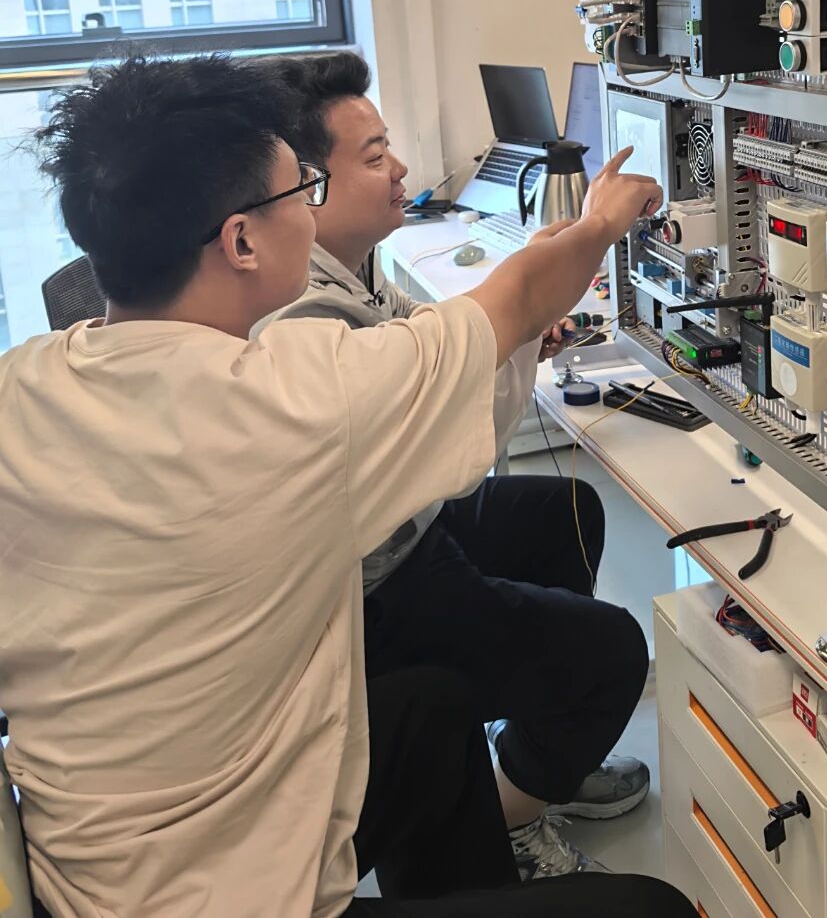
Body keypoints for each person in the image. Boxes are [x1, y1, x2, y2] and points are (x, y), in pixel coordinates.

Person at [0, 53, 695, 918]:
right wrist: (602, 218)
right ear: (240, 240)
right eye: (302, 190)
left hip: (83, 869)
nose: (313, 207)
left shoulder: (22, 382)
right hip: (221, 898)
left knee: (429, 714)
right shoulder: (297, 404)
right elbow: (520, 297)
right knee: (654, 909)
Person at [255, 52, 648, 879]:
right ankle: (511, 812)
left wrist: (527, 301)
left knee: (567, 514)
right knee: (613, 652)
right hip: (375, 583)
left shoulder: (348, 271)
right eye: (375, 156)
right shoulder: (307, 318)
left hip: (400, 528)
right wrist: (586, 238)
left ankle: (533, 751)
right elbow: (455, 448)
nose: (400, 168)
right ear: (305, 188)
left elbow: (444, 345)